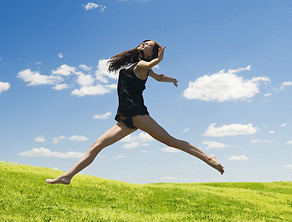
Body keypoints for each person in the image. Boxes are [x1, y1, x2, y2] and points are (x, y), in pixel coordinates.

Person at [46, 40, 224, 185]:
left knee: (170, 141)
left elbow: (153, 67)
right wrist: (172, 80)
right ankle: (67, 176)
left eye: (148, 44)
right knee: (96, 146)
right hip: (126, 119)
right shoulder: (141, 66)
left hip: (137, 114)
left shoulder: (142, 65)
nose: (144, 44)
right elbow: (159, 77)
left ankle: (208, 157)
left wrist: (159, 60)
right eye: (144, 42)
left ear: (151, 53)